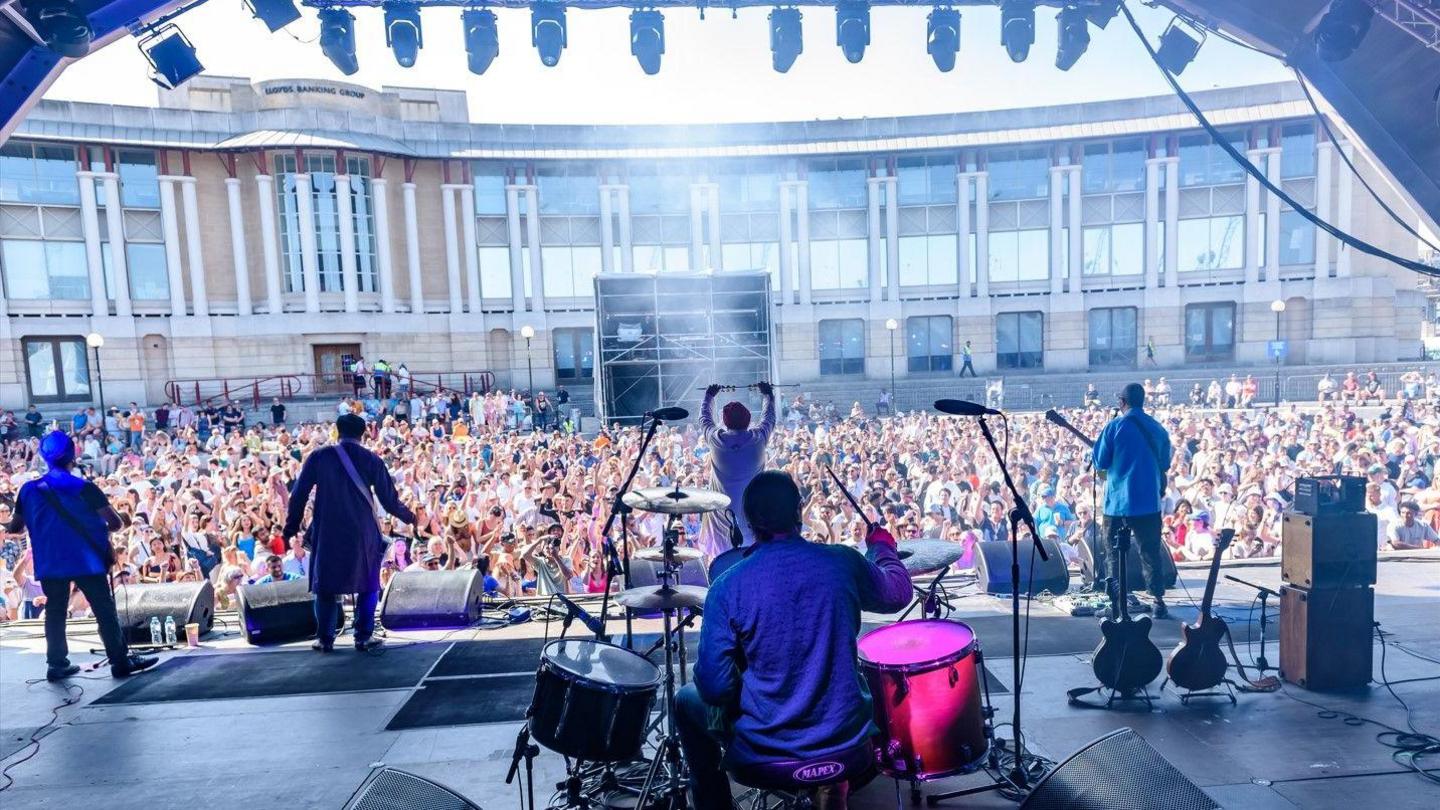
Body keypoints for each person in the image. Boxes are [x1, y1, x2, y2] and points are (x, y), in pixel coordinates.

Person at [678, 471, 912, 810]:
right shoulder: (841, 562)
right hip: (849, 743)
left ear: (749, 521)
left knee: (686, 700)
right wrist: (883, 549)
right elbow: (899, 592)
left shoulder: (727, 587)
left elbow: (715, 688)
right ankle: (832, 791)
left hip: (763, 752)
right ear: (799, 511)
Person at [4, 432, 156, 681]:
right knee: (103, 609)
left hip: (51, 560)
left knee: (55, 610)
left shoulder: (28, 490)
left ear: (43, 457)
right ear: (72, 456)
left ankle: (57, 665)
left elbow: (17, 527)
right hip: (86, 559)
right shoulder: (85, 488)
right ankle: (120, 661)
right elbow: (116, 523)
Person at [283, 413, 416, 652]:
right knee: (368, 583)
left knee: (325, 586)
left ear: (337, 431)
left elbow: (299, 494)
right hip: (361, 532)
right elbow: (389, 501)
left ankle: (325, 639)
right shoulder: (372, 459)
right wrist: (411, 518)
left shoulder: (319, 456)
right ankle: (363, 636)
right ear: (363, 433)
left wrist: (291, 528)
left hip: (328, 530)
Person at [1092, 383, 1174, 618]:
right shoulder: (1157, 429)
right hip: (1148, 502)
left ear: (1122, 402)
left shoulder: (1114, 427)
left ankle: (1117, 604)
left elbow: (1101, 462)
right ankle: (1158, 602)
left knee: (1114, 554)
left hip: (1118, 504)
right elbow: (1165, 463)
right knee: (1150, 551)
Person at [699, 382, 777, 554]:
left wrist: (709, 396)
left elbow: (704, 418)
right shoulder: (759, 438)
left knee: (723, 558)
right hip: (753, 512)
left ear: (725, 422)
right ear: (748, 419)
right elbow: (769, 417)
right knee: (752, 556)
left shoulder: (716, 439)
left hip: (722, 514)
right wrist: (768, 395)